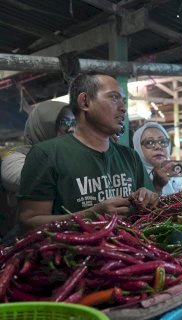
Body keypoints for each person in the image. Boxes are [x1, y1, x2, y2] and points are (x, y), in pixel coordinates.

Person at [18, 72, 158, 232]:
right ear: (85, 101)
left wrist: (148, 197)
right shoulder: (46, 155)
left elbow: (150, 209)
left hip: (131, 254)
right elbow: (29, 222)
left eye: (124, 101)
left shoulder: (130, 156)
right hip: (75, 255)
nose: (123, 108)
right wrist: (88, 216)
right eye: (114, 98)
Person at [1, 101, 75, 239]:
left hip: (70, 231)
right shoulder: (14, 158)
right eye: (64, 122)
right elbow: (39, 181)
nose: (71, 129)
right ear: (42, 125)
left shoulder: (71, 154)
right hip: (32, 237)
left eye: (73, 123)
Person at [132, 122, 182, 196]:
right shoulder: (134, 179)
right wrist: (157, 186)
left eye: (163, 142)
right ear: (138, 147)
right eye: (150, 142)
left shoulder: (178, 178)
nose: (158, 147)